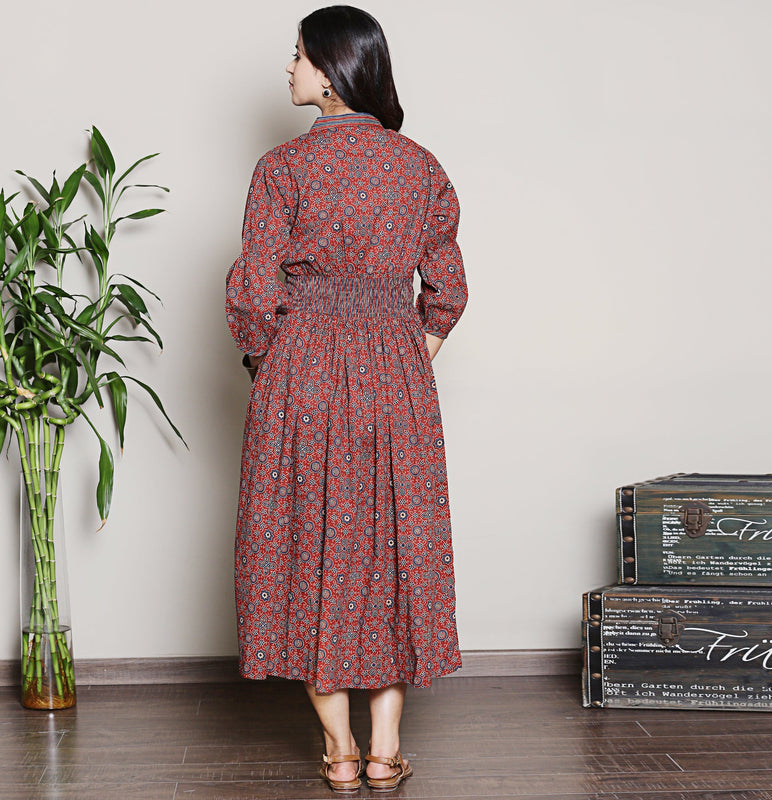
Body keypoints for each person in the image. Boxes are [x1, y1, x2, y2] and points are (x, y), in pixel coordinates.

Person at [225, 5, 467, 792]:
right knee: (396, 548)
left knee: (303, 551)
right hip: (396, 373)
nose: (287, 69)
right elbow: (449, 291)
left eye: (296, 56)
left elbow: (255, 296)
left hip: (302, 376)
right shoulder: (419, 166)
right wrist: (404, 353)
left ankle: (337, 753)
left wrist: (276, 365)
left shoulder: (281, 168)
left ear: (330, 70)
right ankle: (387, 747)